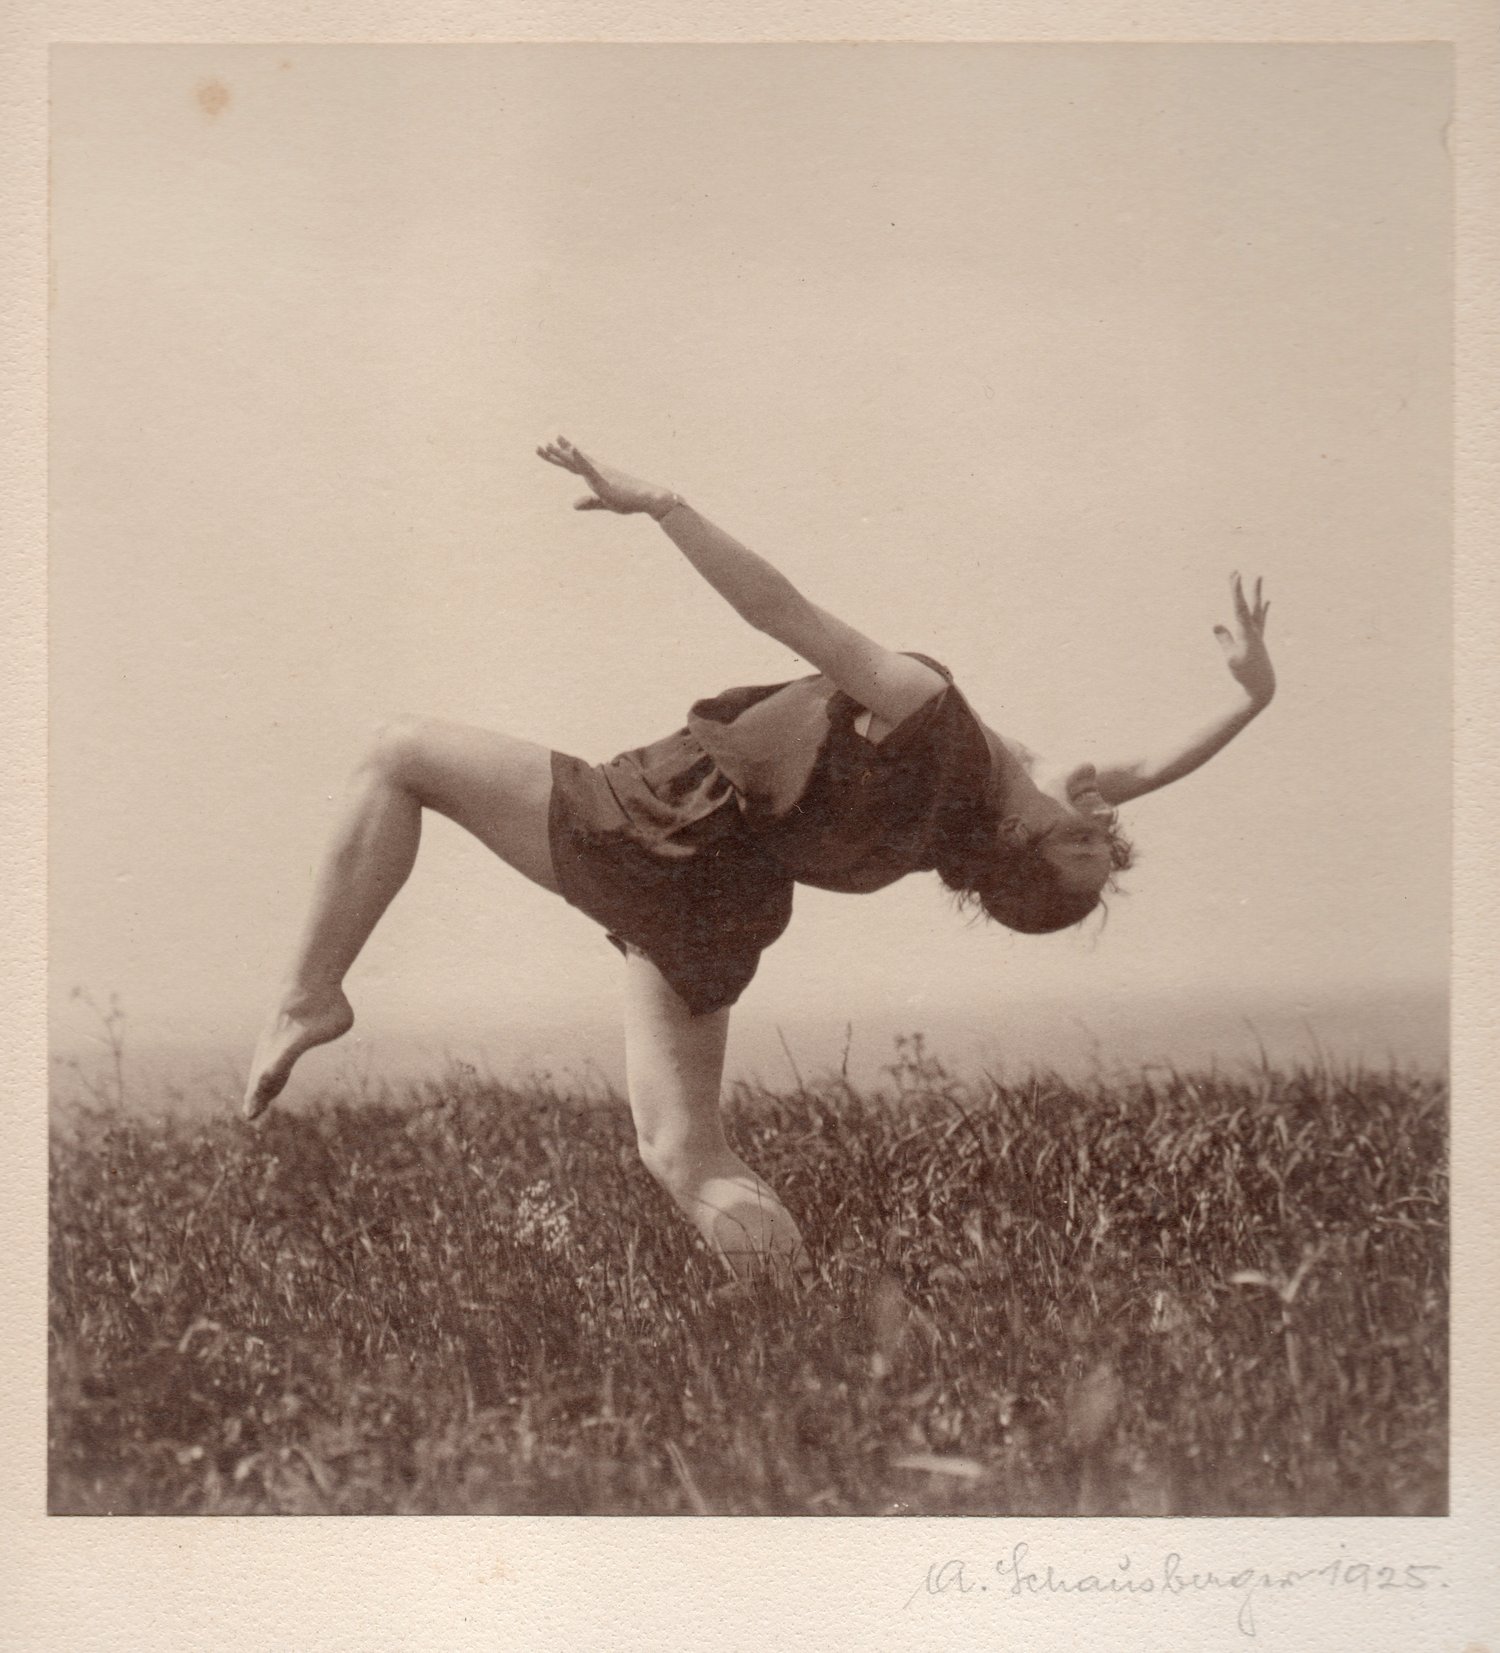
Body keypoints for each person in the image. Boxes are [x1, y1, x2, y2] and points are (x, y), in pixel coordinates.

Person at [242, 437, 1275, 1286]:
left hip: (661, 827)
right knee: (685, 1153)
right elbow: (1145, 769)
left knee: (398, 750)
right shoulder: (967, 823)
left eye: (1080, 836)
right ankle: (791, 1307)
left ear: (1017, 842)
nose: (1098, 810)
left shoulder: (926, 716)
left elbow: (781, 612)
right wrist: (1249, 697)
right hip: (726, 907)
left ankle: (310, 994)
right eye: (1103, 833)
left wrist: (666, 507)